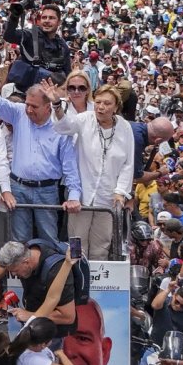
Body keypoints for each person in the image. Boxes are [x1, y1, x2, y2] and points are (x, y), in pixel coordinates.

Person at [0, 58, 82, 245]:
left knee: (48, 239)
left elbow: (70, 166)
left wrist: (74, 196)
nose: (28, 110)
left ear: (47, 106)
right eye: (27, 104)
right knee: (19, 242)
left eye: (34, 106)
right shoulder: (18, 113)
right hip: (18, 188)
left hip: (47, 190)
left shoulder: (60, 128)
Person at [51, 83, 135, 260]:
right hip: (82, 196)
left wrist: (121, 192)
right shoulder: (85, 119)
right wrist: (57, 105)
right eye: (98, 102)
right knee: (76, 245)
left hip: (108, 199)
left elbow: (128, 163)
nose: (101, 107)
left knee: (101, 247)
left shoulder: (125, 127)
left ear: (116, 107)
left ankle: (95, 284)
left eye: (107, 103)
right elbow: (63, 126)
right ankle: (75, 282)